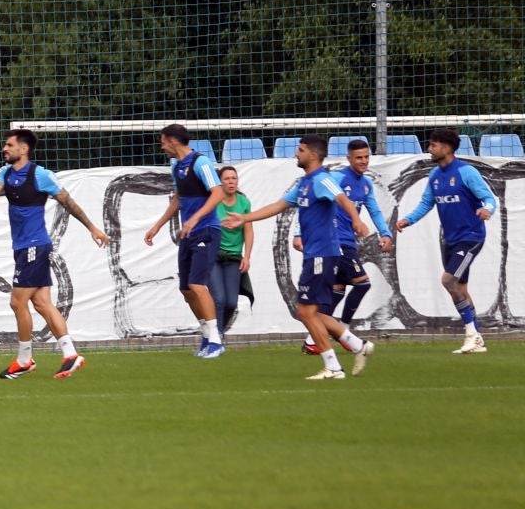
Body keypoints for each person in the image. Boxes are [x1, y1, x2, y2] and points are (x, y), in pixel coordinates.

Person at [221, 136, 376, 380]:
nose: (296, 153)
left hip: (322, 254)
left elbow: (341, 198)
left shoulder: (322, 179)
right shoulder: (304, 183)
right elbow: (277, 205)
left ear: (313, 155)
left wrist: (356, 220)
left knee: (305, 311)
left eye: (301, 150)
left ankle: (334, 367)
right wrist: (244, 218)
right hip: (315, 254)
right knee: (312, 312)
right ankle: (357, 345)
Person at [0, 129, 109, 380]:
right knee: (42, 303)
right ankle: (70, 354)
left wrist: (92, 228)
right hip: (24, 248)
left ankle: (25, 359)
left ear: (23, 149)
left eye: (9, 145)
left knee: (17, 302)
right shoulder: (5, 173)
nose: (4, 149)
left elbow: (68, 202)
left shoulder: (40, 175)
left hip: (34, 247)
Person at [394, 127, 499, 354]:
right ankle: (477, 339)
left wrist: (487, 210)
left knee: (448, 281)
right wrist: (407, 220)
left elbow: (488, 198)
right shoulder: (434, 176)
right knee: (460, 287)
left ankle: (471, 334)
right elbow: (426, 204)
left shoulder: (466, 172)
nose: (429, 149)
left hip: (471, 237)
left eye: (433, 145)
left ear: (447, 148)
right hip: (449, 239)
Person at [142, 124, 227, 358]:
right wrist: (157, 226)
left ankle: (216, 341)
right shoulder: (176, 165)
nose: (161, 146)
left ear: (173, 141)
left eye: (162, 141)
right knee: (187, 289)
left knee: (198, 286)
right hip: (189, 234)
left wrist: (196, 218)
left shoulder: (201, 163)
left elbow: (218, 193)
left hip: (206, 231)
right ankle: (207, 336)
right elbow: (179, 197)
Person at [330, 138, 395, 332]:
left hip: (348, 241)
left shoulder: (366, 184)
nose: (364, 161)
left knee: (338, 290)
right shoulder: (337, 179)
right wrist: (300, 232)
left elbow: (374, 210)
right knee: (362, 284)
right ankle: (343, 329)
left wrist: (386, 233)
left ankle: (314, 337)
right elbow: (315, 201)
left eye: (366, 157)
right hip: (335, 241)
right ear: (349, 158)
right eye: (359, 158)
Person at [210, 165, 253, 337]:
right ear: (220, 183)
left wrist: (247, 256)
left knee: (231, 303)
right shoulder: (213, 201)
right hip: (213, 256)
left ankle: (218, 332)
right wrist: (217, 224)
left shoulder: (244, 202)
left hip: (234, 257)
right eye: (227, 179)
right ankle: (215, 337)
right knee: (219, 299)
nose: (231, 182)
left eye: (233, 178)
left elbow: (248, 230)